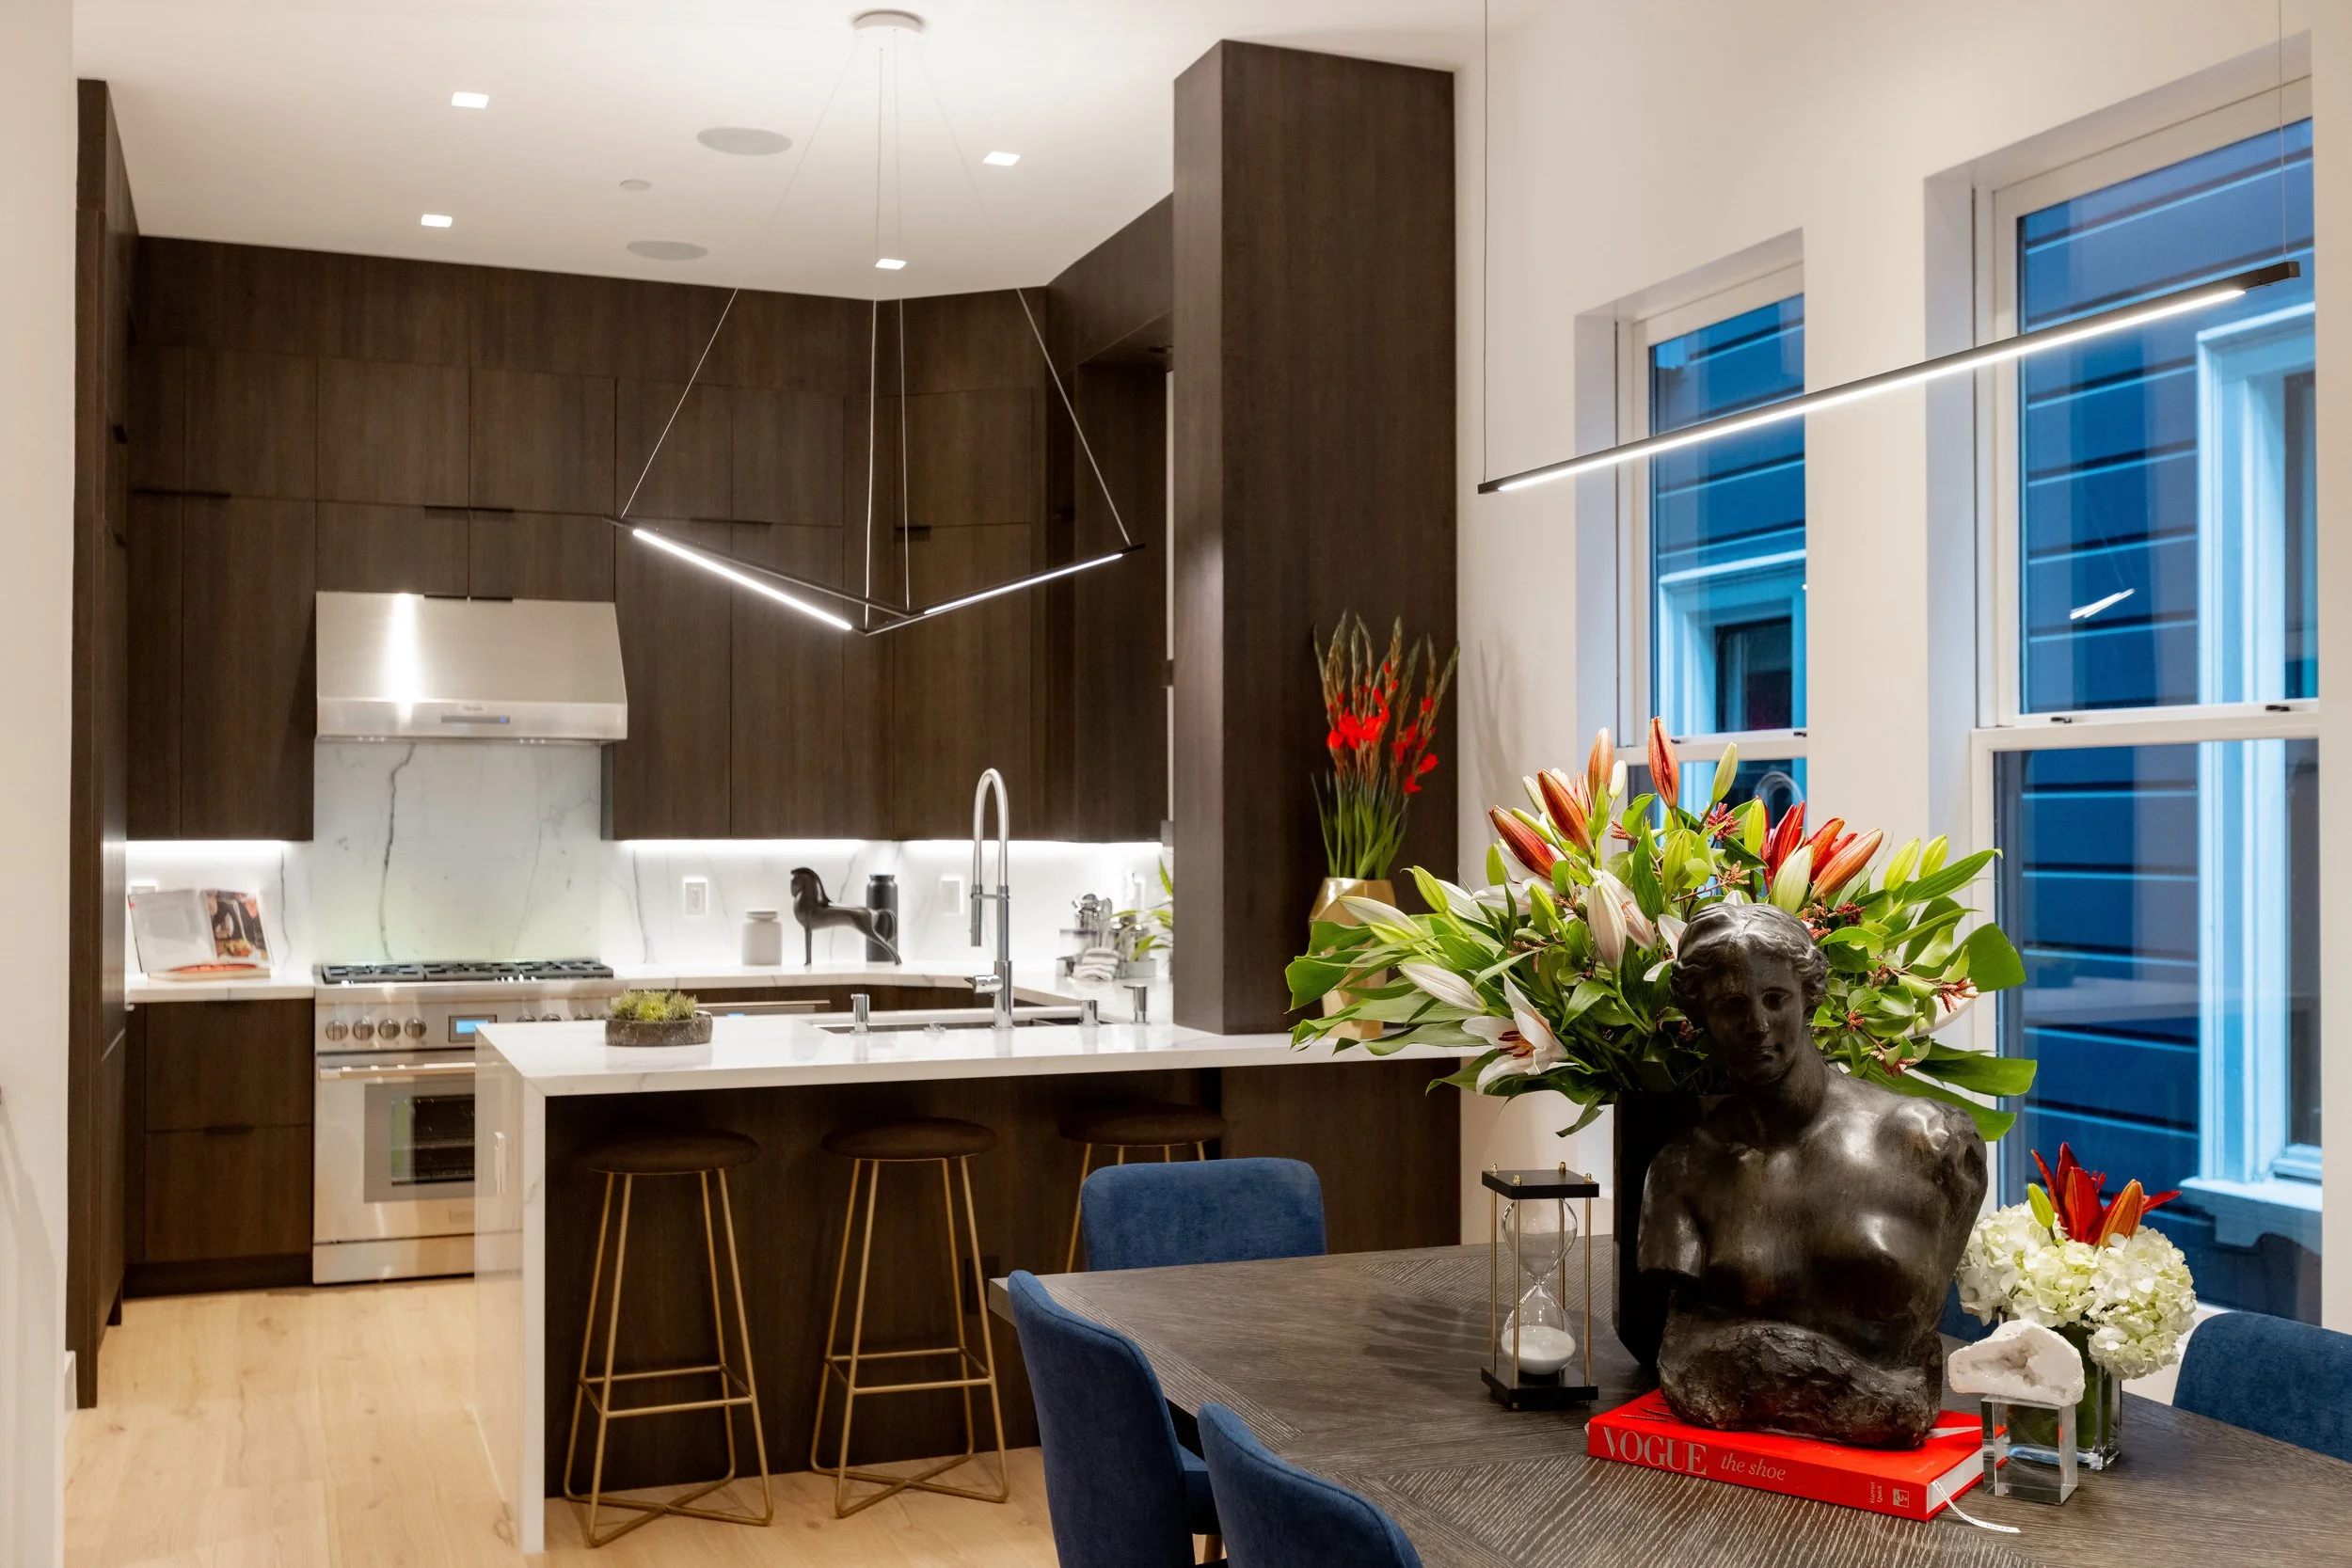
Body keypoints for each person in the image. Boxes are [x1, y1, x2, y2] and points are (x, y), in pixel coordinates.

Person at [1638, 901, 1985, 1448]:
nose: (1757, 1026)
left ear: (1810, 998)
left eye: (1775, 999)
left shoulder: (1929, 1142)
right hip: (1729, 1473)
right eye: (1732, 1007)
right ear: (1700, 1019)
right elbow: (1682, 1337)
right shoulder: (1681, 1172)